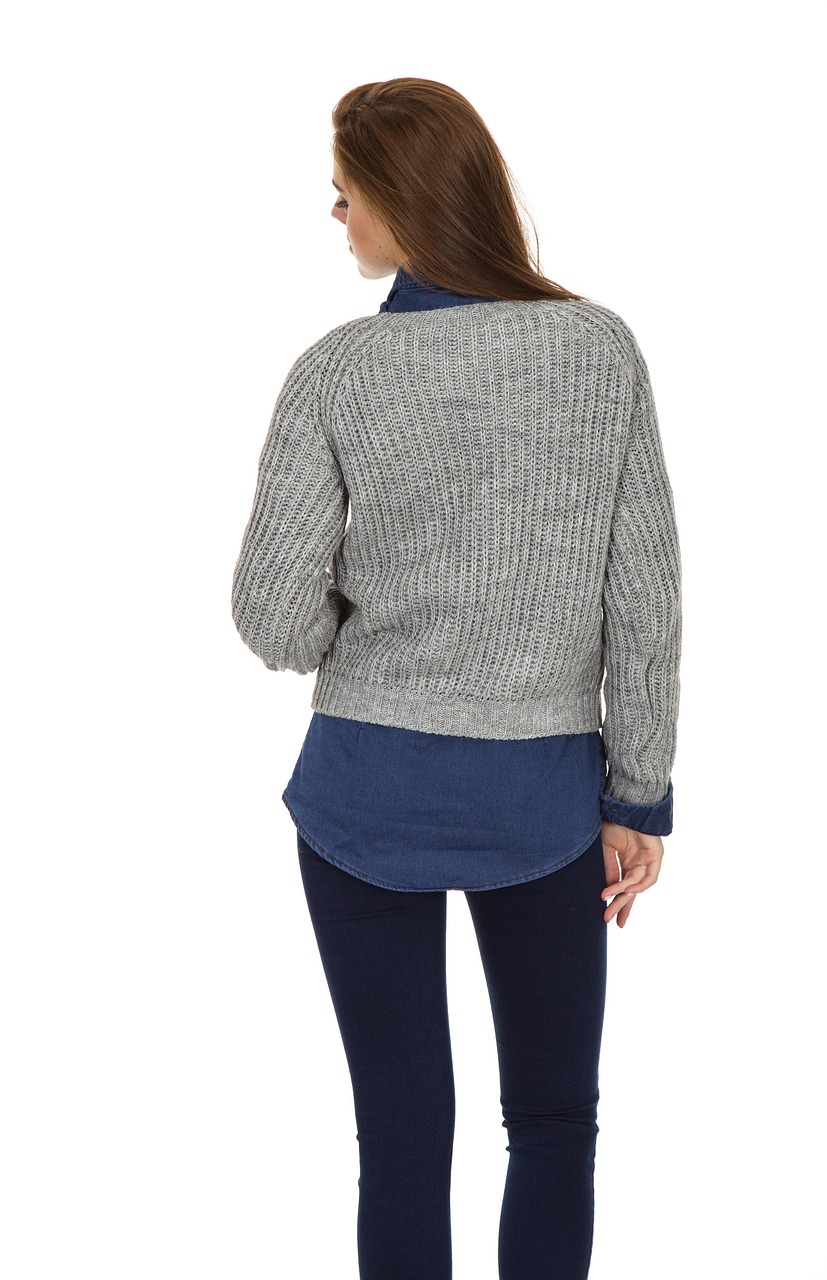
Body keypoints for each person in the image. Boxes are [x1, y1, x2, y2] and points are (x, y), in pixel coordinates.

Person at [231, 76, 682, 1280]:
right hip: (542, 796)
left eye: (345, 194)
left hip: (362, 790)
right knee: (552, 1121)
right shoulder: (595, 350)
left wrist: (367, 633)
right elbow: (643, 598)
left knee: (400, 1136)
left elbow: (269, 612)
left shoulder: (338, 371)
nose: (336, 216)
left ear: (400, 198)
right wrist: (637, 796)